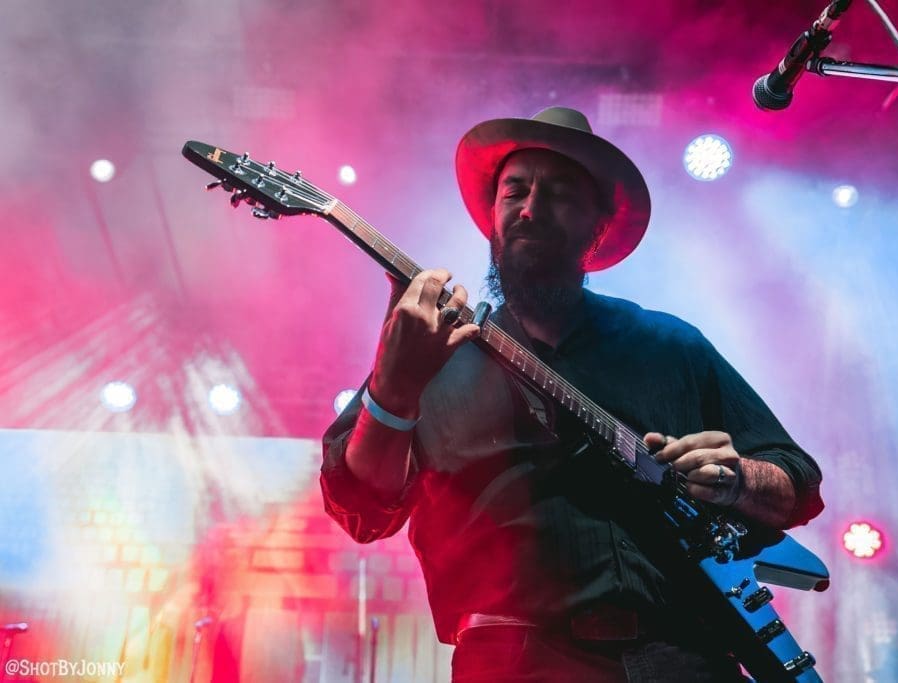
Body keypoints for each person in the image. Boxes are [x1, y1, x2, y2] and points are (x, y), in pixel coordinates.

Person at [321, 107, 824, 682]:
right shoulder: (434, 352)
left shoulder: (669, 345)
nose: (531, 208)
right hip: (514, 660)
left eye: (559, 194)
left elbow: (798, 483)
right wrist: (395, 387)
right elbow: (358, 509)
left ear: (599, 227)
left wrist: (736, 480)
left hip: (689, 656)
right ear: (492, 218)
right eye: (515, 192)